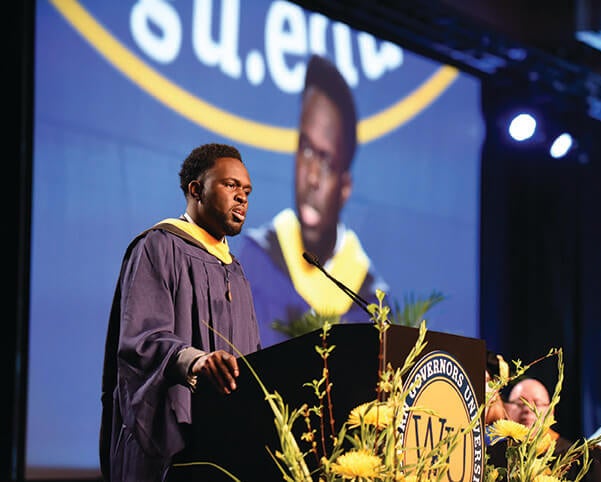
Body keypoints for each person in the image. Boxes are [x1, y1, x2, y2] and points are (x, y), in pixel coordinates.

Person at [99, 143, 261, 482]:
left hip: (226, 450)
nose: (242, 197)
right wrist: (196, 361)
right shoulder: (158, 246)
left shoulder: (237, 271)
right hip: (169, 447)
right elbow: (142, 340)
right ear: (196, 189)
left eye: (246, 190)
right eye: (230, 185)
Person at [237, 54, 388, 347]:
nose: (312, 178)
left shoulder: (369, 296)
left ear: (345, 187)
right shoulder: (257, 260)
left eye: (327, 161)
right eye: (306, 151)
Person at [505, 378, 574, 454]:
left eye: (537, 404)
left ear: (550, 411)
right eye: (520, 402)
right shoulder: (495, 452)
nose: (528, 409)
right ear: (506, 408)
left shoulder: (568, 454)